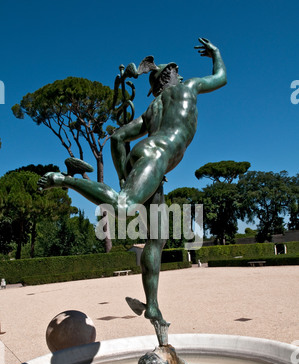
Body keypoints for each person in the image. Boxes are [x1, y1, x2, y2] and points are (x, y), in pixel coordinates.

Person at [38, 37, 227, 345]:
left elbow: (116, 139)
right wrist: (216, 53)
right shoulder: (189, 87)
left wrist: (125, 174)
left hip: (152, 162)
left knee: (158, 238)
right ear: (170, 77)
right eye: (175, 71)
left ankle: (151, 305)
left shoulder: (152, 109)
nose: (179, 73)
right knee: (125, 206)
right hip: (156, 157)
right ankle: (65, 179)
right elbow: (221, 77)